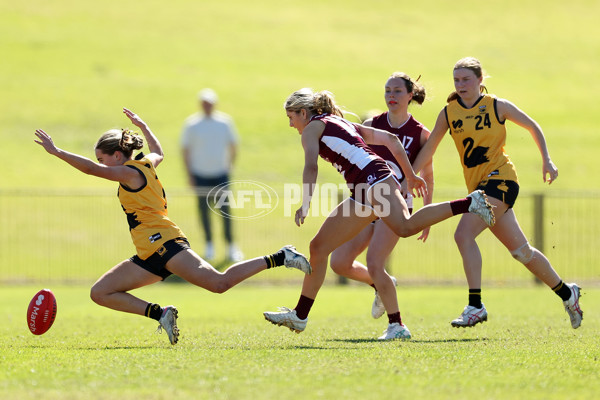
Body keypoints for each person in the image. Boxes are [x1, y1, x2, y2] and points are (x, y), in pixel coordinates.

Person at [34, 108, 312, 345]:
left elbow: (91, 171)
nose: (100, 163)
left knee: (219, 283)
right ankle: (160, 313)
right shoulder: (145, 163)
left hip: (165, 243)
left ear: (118, 155)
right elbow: (159, 151)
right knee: (101, 292)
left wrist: (56, 151)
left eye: (103, 158)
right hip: (148, 251)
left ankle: (281, 256)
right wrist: (143, 126)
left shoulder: (129, 172)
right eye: (99, 159)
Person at [263, 88, 495, 336]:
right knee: (318, 248)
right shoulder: (340, 122)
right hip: (366, 187)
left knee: (404, 227)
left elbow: (311, 166)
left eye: (291, 117)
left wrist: (306, 203)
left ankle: (469, 203)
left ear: (302, 112)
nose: (290, 124)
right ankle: (300, 316)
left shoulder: (311, 128)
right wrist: (409, 175)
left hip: (372, 181)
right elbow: (392, 141)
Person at [411, 57, 583, 329]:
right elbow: (430, 147)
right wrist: (409, 176)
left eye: (466, 79)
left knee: (462, 234)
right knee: (521, 252)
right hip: (479, 188)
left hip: (501, 181)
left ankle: (475, 306)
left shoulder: (496, 106)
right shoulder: (448, 113)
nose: (461, 84)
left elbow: (532, 125)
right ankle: (567, 292)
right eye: (457, 80)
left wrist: (547, 160)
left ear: (481, 80)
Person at [329, 72, 435, 340]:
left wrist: (427, 214)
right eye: (388, 90)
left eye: (398, 91)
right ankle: (383, 284)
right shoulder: (371, 124)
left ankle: (397, 325)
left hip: (395, 203)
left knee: (375, 261)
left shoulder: (420, 133)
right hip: (367, 199)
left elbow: (428, 175)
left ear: (410, 95)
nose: (391, 96)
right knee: (339, 262)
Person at [181, 88, 242, 262]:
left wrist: (230, 166)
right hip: (200, 175)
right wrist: (189, 173)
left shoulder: (224, 122)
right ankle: (209, 246)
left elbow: (233, 144)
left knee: (225, 212)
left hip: (220, 174)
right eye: (204, 104)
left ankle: (231, 246)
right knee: (204, 212)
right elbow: (185, 149)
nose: (207, 106)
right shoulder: (192, 124)